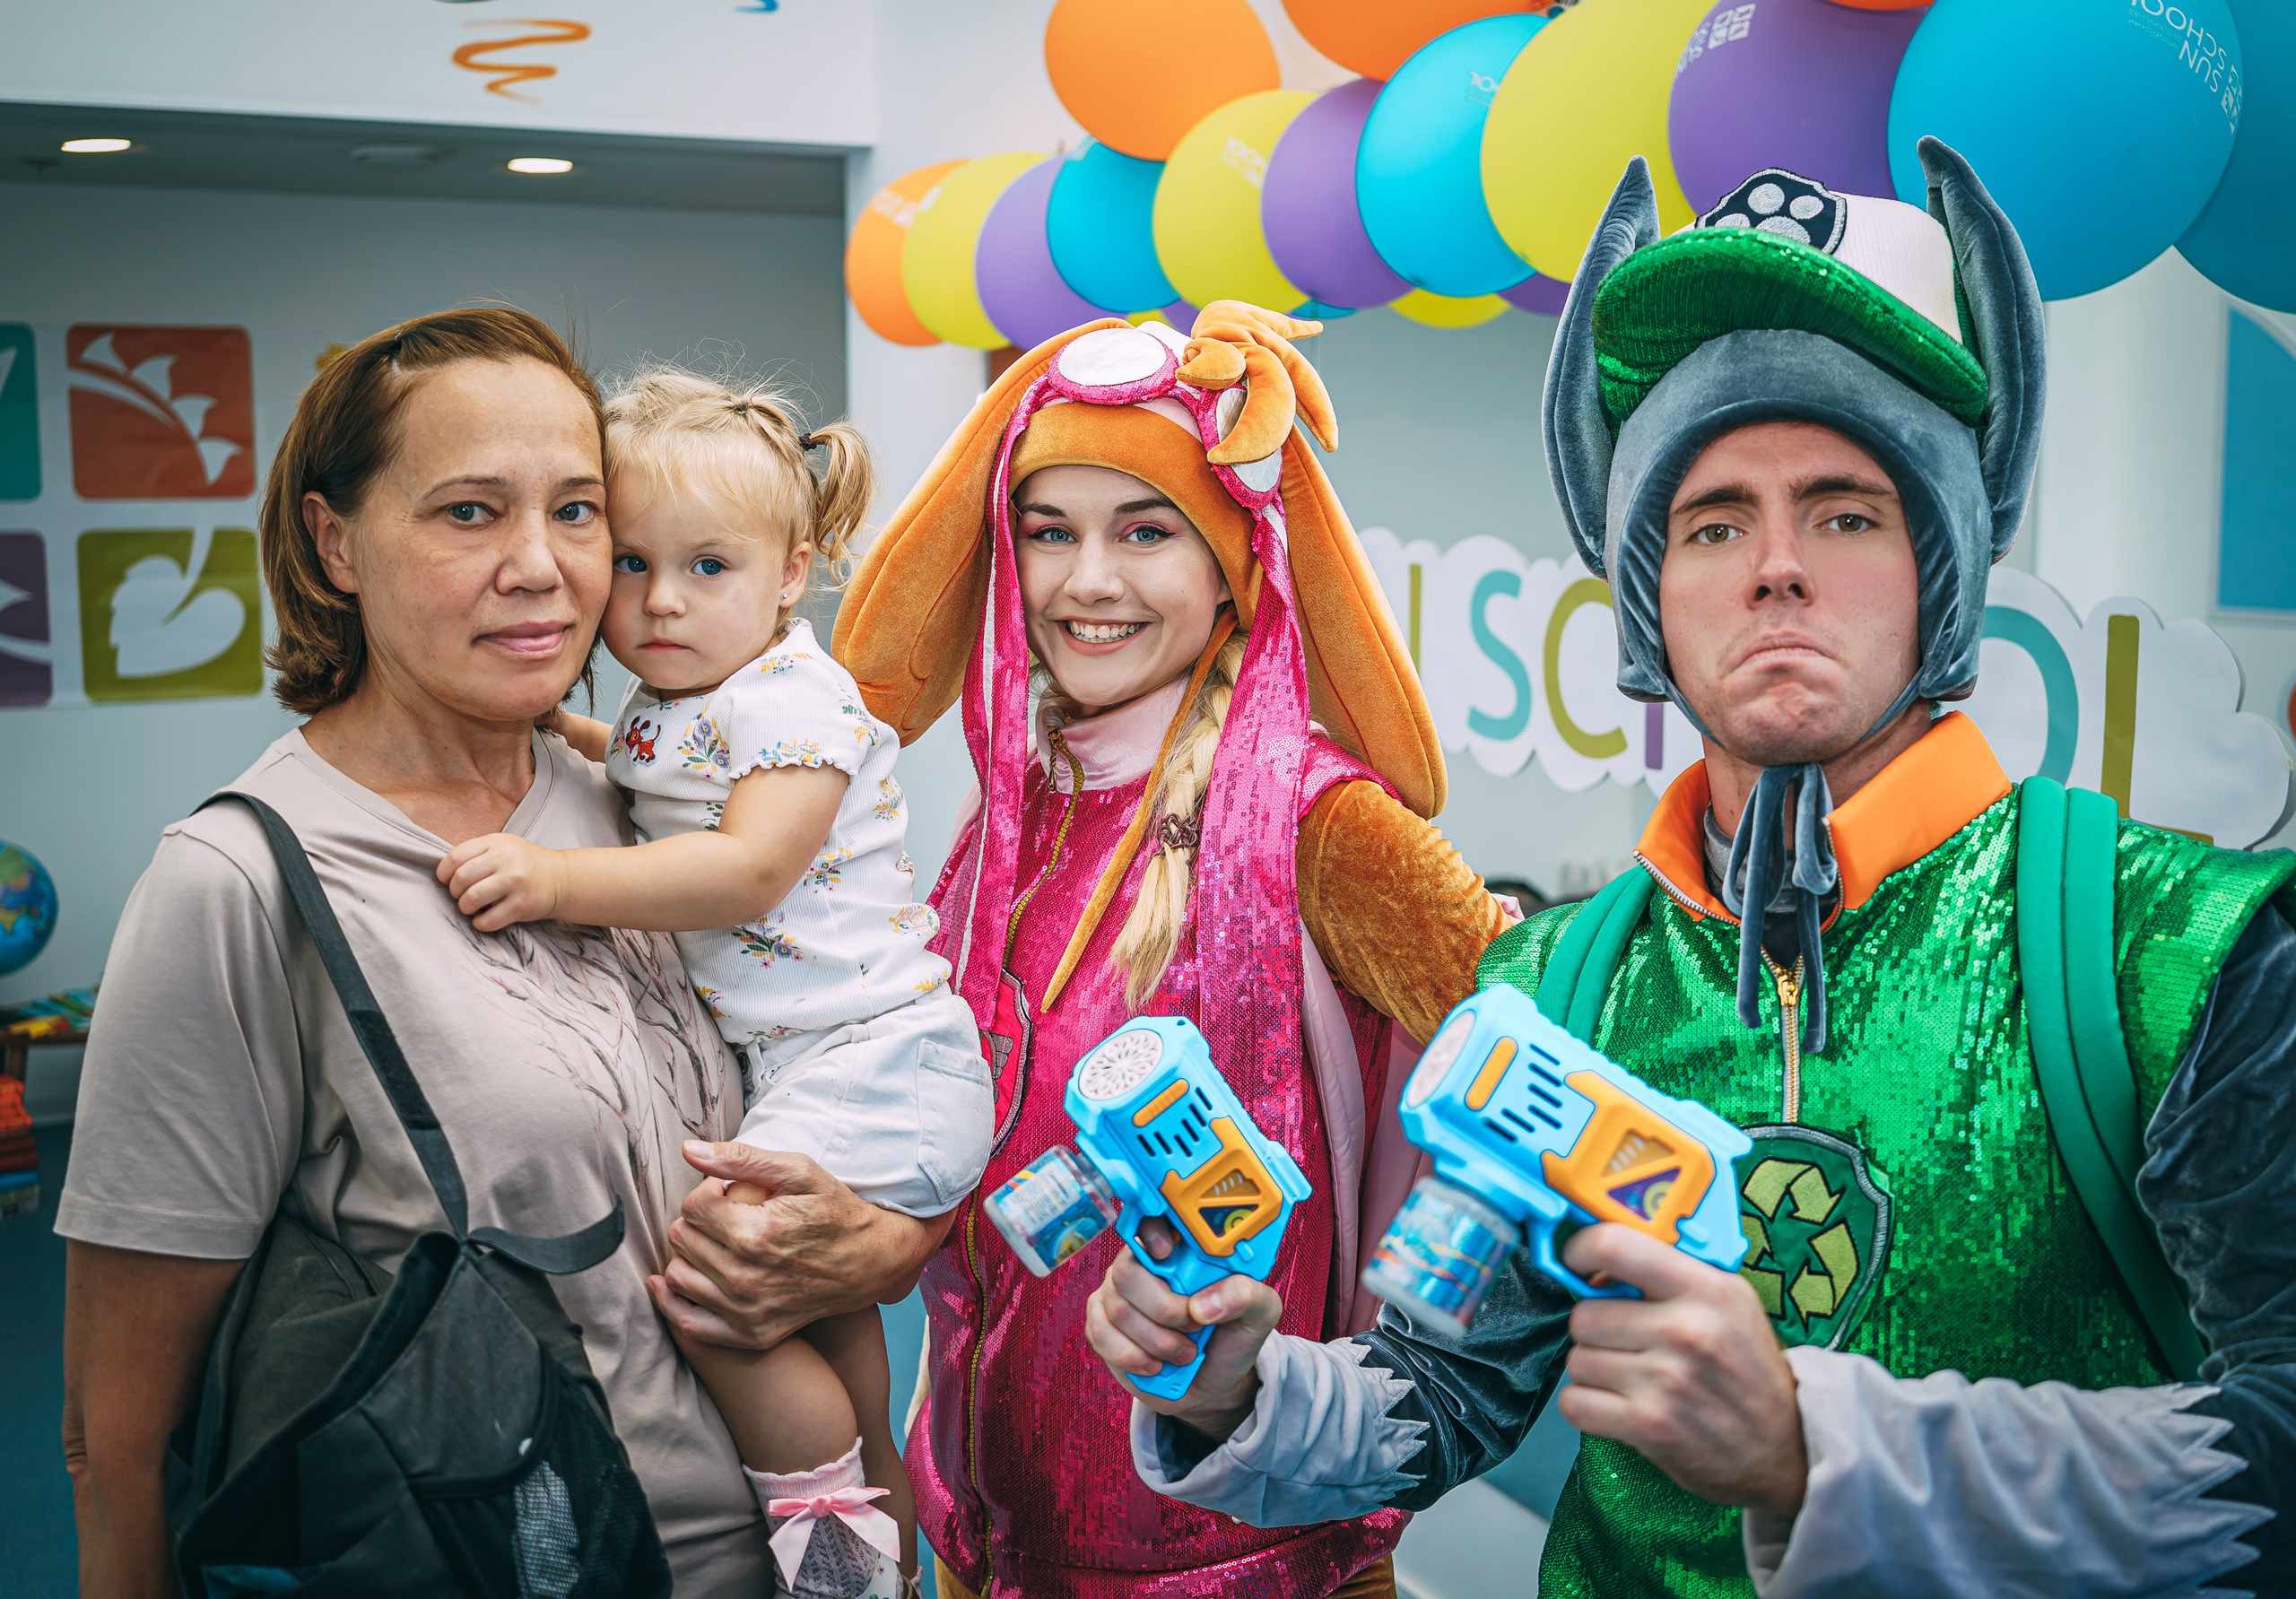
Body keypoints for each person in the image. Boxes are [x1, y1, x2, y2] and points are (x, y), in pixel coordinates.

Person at [1088, 147, 2296, 1597]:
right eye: (1714, 521)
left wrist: (1815, 1450)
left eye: (1847, 510)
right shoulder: (1558, 977)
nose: (1776, 568)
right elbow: (1449, 1392)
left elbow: (2276, 1457)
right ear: (1650, 590)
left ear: (1945, 561)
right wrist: (1241, 1388)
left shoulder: (2175, 947)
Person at [57, 309, 954, 1599]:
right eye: (469, 513)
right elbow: (117, 1441)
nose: (542, 565)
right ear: (334, 542)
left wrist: (882, 1248)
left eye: (578, 511)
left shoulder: (645, 806)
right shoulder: (242, 886)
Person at [833, 303, 1514, 1597]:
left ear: (1232, 563)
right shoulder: (1009, 826)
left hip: (1241, 1566)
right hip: (985, 1545)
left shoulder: (1319, 823)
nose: (1087, 582)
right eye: (1050, 533)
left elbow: (1552, 1062)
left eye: (1144, 531)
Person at [438, 369, 987, 1598]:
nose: (662, 603)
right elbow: (645, 765)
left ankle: (827, 1558)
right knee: (827, 1329)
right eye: (630, 564)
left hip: (877, 1056)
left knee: (716, 1287)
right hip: (806, 1062)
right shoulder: (671, 700)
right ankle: (890, 1564)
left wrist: (551, 876)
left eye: (708, 568)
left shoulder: (798, 697)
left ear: (792, 573)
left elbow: (744, 868)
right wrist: (564, 742)